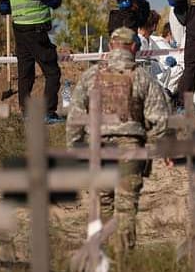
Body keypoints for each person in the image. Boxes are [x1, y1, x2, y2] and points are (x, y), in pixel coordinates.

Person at [67, 27, 170, 249]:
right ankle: (124, 261)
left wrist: (75, 148)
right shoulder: (143, 77)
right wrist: (152, 144)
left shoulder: (91, 76)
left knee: (103, 203)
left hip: (98, 147)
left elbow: (75, 117)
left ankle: (103, 256)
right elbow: (160, 119)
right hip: (131, 148)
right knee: (126, 206)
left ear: (111, 46)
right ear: (134, 47)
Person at [0, 0, 64, 122]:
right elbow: (55, 1)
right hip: (36, 32)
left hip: (19, 33)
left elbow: (3, 8)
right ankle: (48, 112)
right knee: (52, 72)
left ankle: (26, 113)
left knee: (25, 73)